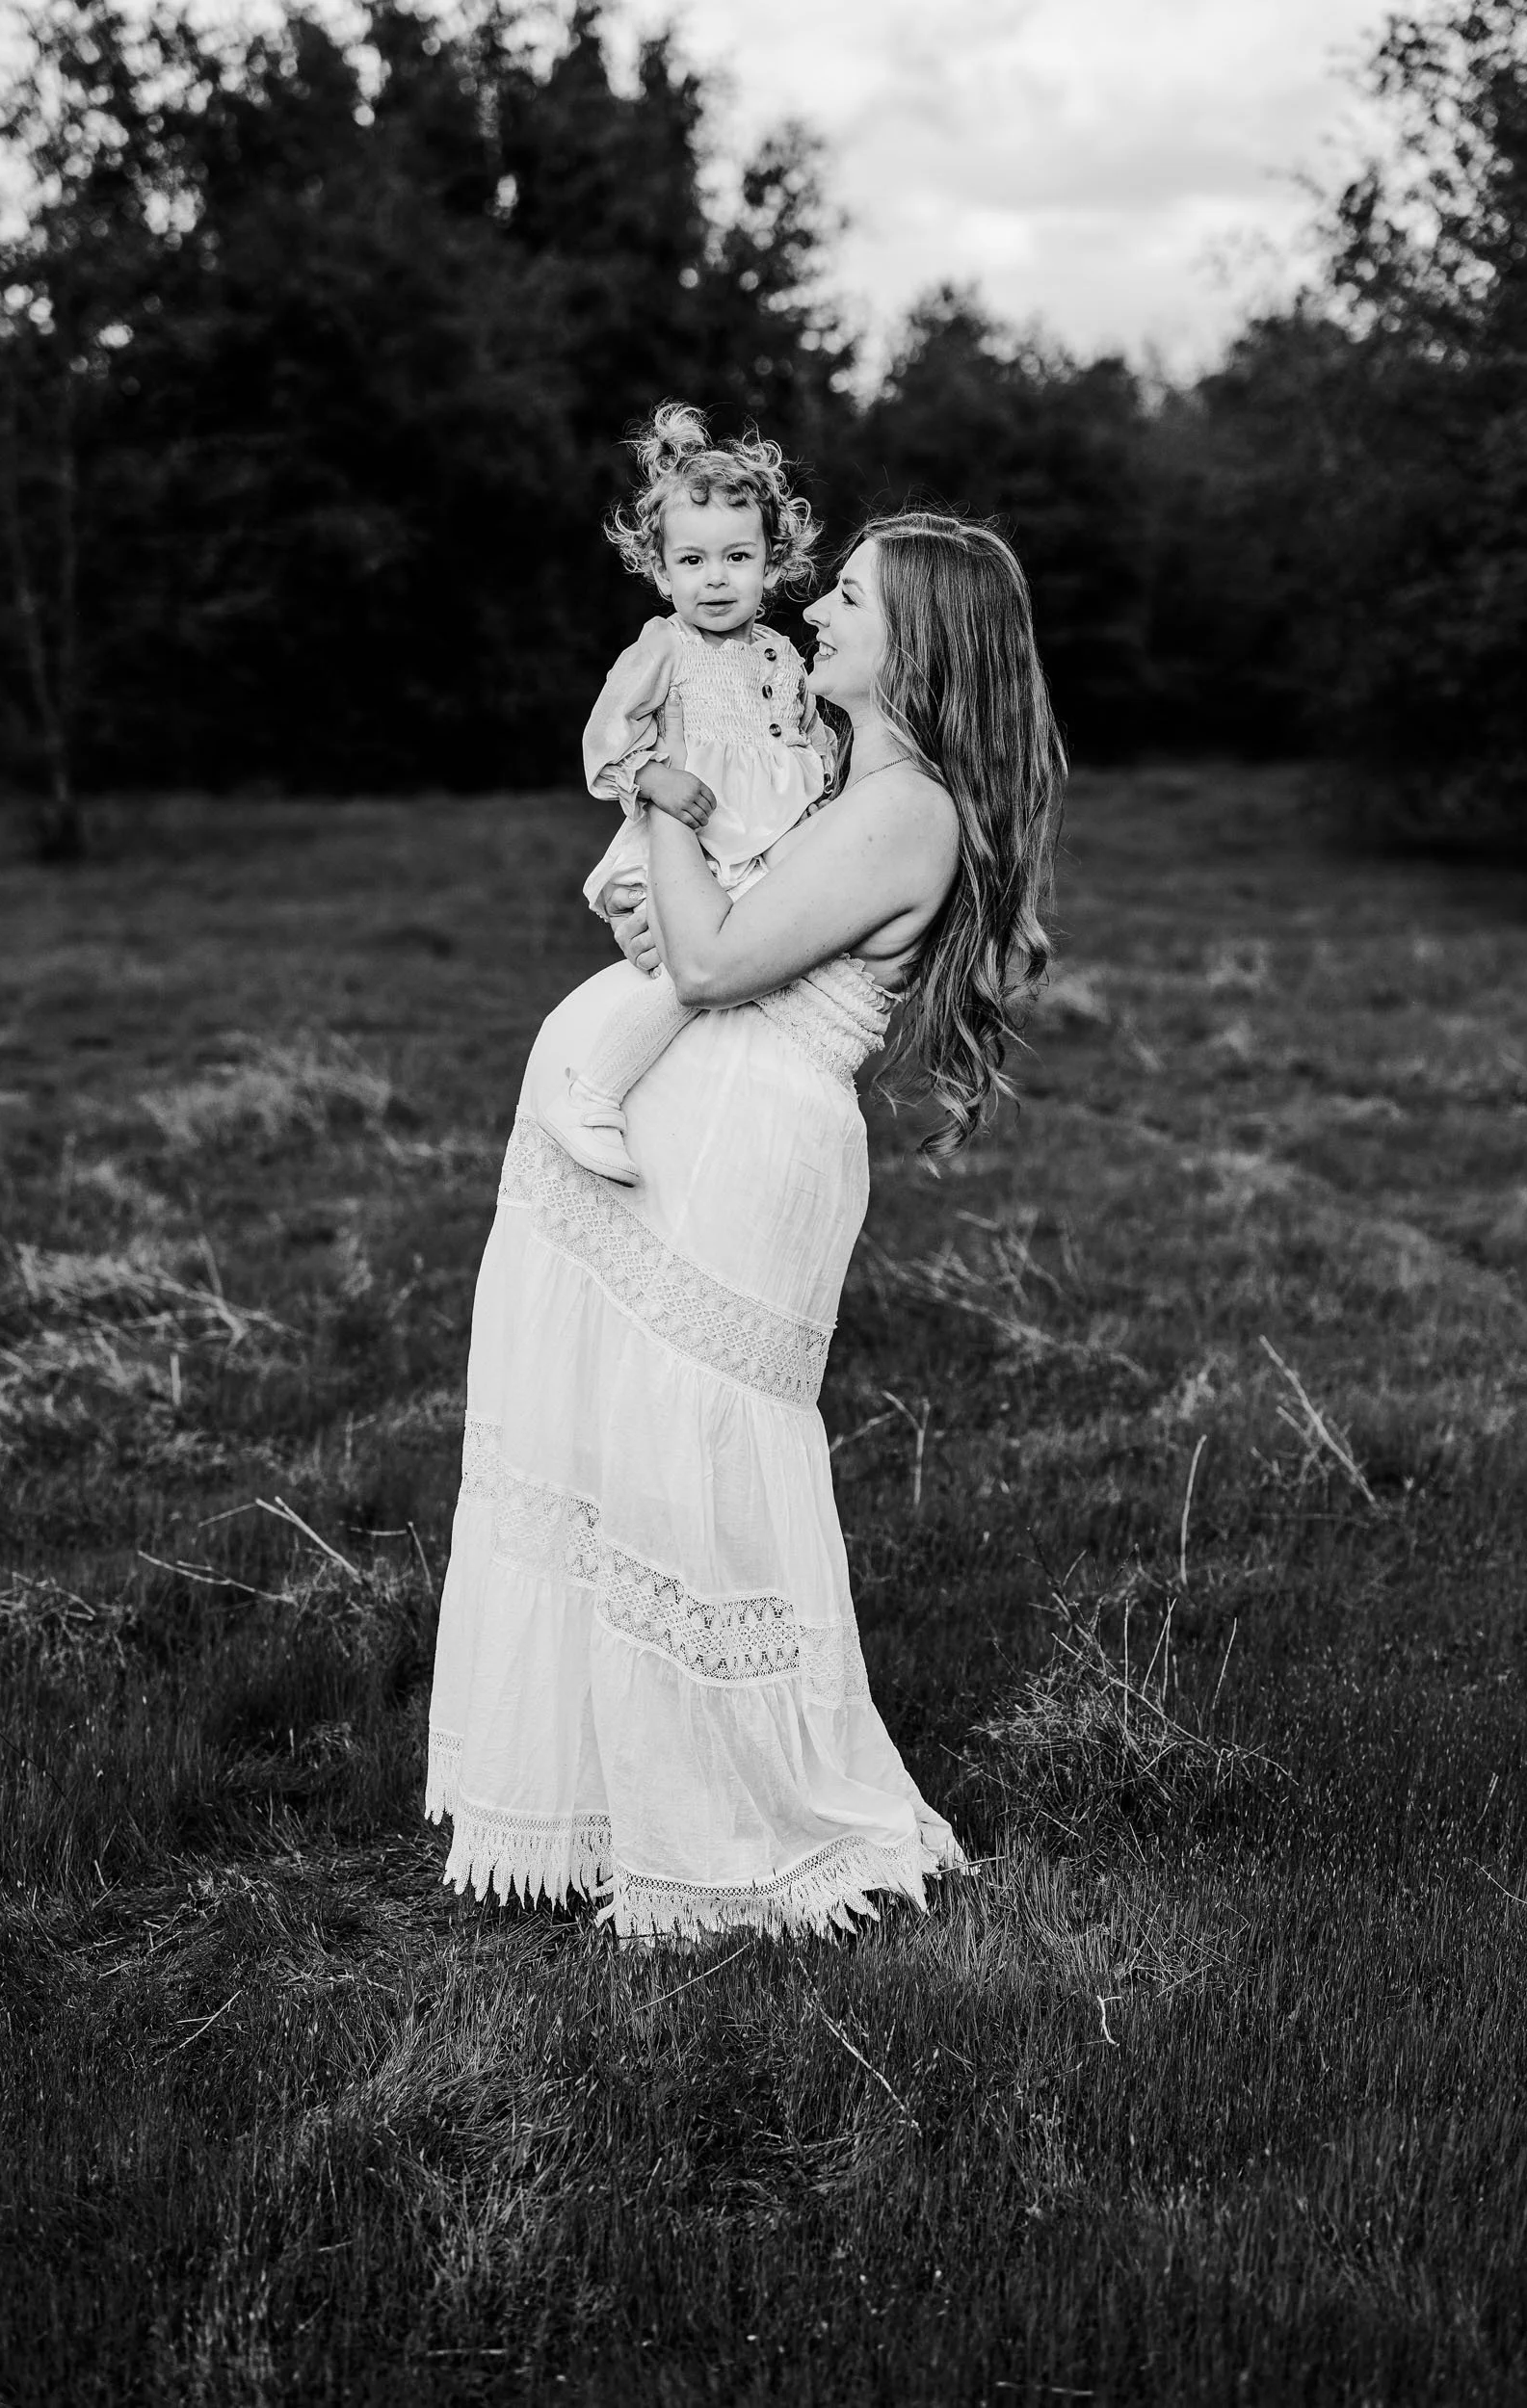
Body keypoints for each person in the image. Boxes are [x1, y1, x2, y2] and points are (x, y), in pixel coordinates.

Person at [426, 510, 1066, 1942]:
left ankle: (733, 1833)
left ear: (920, 641)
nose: (815, 610)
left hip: (744, 1142)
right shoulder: (846, 779)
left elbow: (714, 965)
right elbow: (704, 930)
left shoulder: (904, 812)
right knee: (623, 1462)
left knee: (692, 1475)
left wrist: (660, 794)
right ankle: (623, 1806)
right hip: (689, 1131)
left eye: (852, 598)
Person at [540, 402, 833, 1186]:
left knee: (764, 969)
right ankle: (590, 1096)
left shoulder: (782, 654)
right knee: (684, 973)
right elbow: (606, 734)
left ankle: (725, 1138)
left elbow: (805, 744)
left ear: (772, 563)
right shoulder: (664, 645)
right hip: (696, 848)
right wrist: (650, 777)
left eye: (737, 557)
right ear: (661, 571)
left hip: (761, 845)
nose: (715, 578)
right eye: (693, 561)